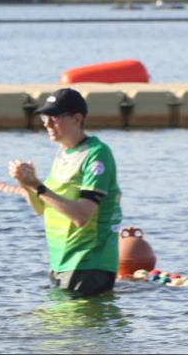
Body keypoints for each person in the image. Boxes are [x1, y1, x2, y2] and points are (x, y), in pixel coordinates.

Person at [8, 88, 123, 297]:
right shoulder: (63, 153)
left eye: (54, 117)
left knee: (77, 329)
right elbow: (41, 208)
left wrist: (38, 186)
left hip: (89, 263)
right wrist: (25, 184)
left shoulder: (97, 154)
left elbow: (82, 216)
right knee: (58, 327)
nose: (46, 123)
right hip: (61, 261)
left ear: (77, 118)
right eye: (45, 117)